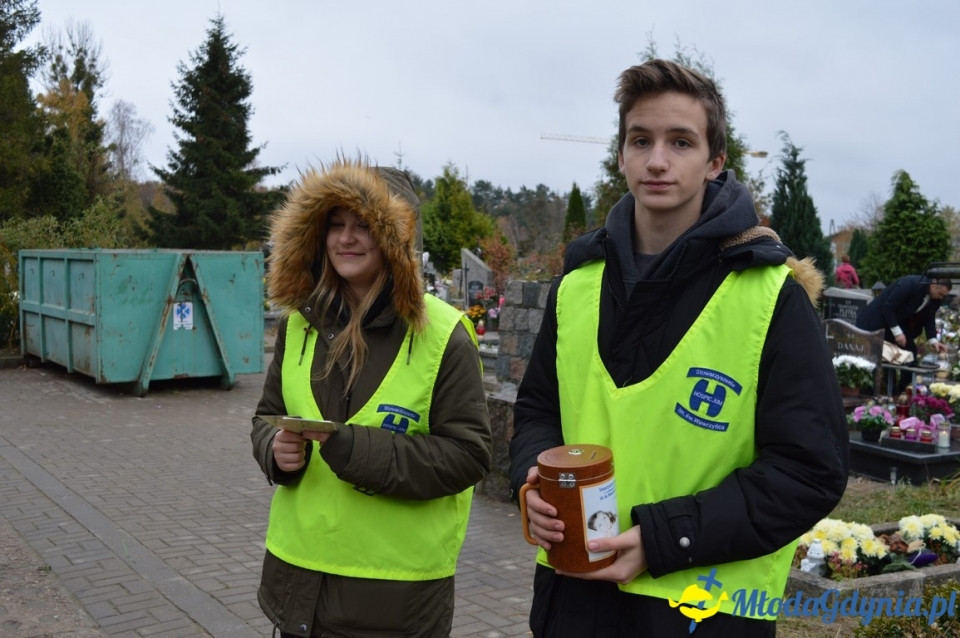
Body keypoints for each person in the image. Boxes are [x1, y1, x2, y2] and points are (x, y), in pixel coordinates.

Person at [508, 59, 848, 637]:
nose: (657, 161)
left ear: (715, 162)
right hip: (575, 602)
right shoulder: (577, 288)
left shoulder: (771, 298)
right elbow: (540, 411)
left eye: (681, 142)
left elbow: (809, 469)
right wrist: (531, 481)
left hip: (704, 613)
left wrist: (667, 538)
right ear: (620, 155)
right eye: (640, 140)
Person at [250, 158, 493, 638]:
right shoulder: (297, 324)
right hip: (296, 585)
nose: (346, 238)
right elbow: (265, 417)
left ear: (396, 240)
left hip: (392, 602)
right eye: (334, 225)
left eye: (363, 225)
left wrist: (357, 450)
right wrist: (273, 451)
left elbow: (468, 456)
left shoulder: (444, 335)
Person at [856, 275, 950, 391]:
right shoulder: (910, 284)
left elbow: (929, 317)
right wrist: (897, 333)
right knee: (879, 355)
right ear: (933, 286)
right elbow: (888, 307)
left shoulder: (935, 299)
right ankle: (873, 391)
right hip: (875, 321)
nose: (941, 298)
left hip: (895, 322)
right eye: (940, 294)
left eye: (943, 296)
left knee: (911, 352)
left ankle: (902, 390)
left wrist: (933, 340)